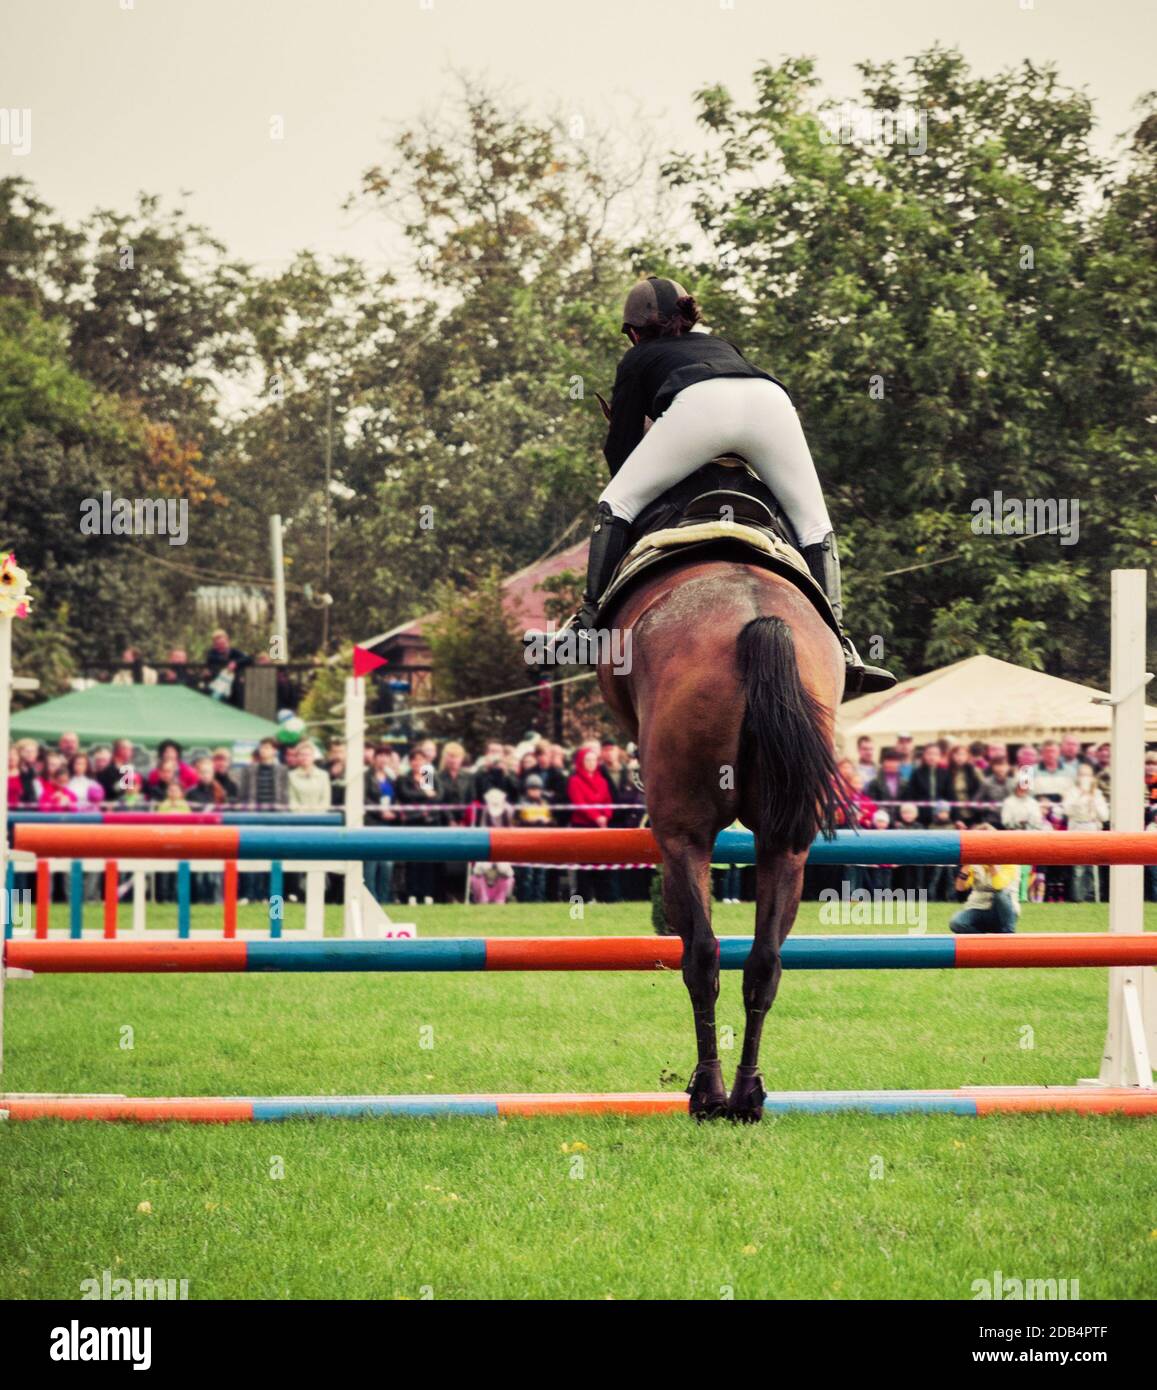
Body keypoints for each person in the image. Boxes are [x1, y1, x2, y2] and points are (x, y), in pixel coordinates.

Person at [565, 275, 894, 695]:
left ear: (634, 331)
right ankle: (842, 645)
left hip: (700, 407)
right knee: (815, 523)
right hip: (771, 401)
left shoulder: (638, 358)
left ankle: (587, 624)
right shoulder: (722, 346)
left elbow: (622, 448)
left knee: (617, 500)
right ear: (688, 316)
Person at [949, 825, 1020, 934]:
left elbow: (999, 886)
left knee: (1000, 894)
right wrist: (966, 866)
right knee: (956, 923)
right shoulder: (974, 862)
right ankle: (983, 943)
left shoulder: (1009, 860)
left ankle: (1009, 935)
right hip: (979, 907)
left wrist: (991, 866)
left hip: (1004, 912)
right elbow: (960, 887)